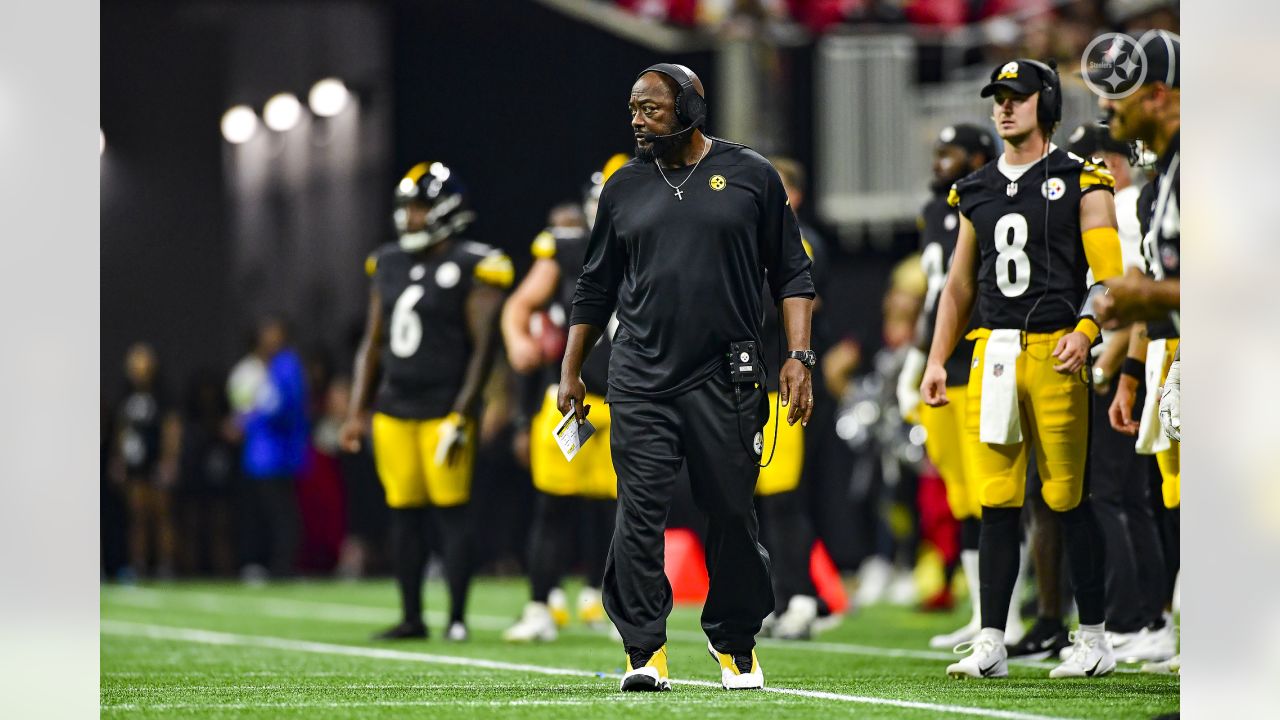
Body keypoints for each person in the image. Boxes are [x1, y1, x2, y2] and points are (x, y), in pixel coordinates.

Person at [562, 63, 815, 691]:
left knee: (732, 514)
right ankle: (643, 649)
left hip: (726, 377)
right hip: (641, 376)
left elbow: (792, 274)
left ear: (692, 108)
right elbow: (595, 286)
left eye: (651, 108)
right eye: (633, 108)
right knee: (638, 514)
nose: (638, 120)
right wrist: (570, 368)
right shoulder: (622, 187)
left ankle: (735, 642)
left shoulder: (753, 175)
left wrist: (799, 355)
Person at [921, 58, 1124, 679]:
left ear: (1047, 102)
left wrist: (1088, 331)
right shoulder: (975, 188)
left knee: (1066, 497)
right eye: (998, 97)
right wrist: (936, 358)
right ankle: (991, 640)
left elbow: (1111, 278)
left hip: (1055, 348)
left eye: (1018, 96)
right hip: (994, 353)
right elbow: (958, 284)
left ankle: (1093, 638)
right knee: (997, 499)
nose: (1005, 106)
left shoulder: (1081, 177)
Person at [340, 161, 512, 642]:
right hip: (395, 408)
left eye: (420, 208)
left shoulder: (475, 263)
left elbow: (484, 348)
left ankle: (457, 617)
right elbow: (372, 343)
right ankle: (412, 616)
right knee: (404, 514)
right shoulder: (388, 262)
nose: (412, 218)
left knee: (452, 514)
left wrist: (464, 409)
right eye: (408, 209)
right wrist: (357, 411)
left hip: (443, 408)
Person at [896, 123, 1027, 650]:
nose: (938, 161)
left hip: (980, 359)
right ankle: (984, 614)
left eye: (949, 153)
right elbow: (936, 297)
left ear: (977, 155)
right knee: (962, 498)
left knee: (992, 492)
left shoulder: (990, 202)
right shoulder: (933, 211)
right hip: (940, 365)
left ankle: (1011, 618)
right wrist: (916, 362)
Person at [499, 158, 628, 643]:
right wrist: (516, 339)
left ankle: (616, 606)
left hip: (629, 402)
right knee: (553, 506)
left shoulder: (653, 247)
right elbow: (519, 305)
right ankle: (539, 605)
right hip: (574, 402)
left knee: (623, 514)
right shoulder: (569, 248)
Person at [1094, 30, 1182, 673]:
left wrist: (1140, 296)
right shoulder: (1164, 175)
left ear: (1159, 95)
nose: (1108, 112)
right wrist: (1132, 369)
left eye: (1119, 98)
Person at [229, 317, 309, 581]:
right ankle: (272, 564)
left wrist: (245, 421)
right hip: (267, 455)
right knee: (270, 513)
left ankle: (283, 566)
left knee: (281, 514)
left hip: (276, 455)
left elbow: (278, 407)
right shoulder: (275, 365)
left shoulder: (286, 364)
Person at [111, 343, 181, 579]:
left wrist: (169, 460)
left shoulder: (162, 396)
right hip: (134, 462)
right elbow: (121, 429)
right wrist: (118, 458)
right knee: (136, 517)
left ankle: (165, 564)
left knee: (162, 515)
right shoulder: (126, 397)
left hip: (155, 461)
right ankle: (138, 564)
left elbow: (171, 429)